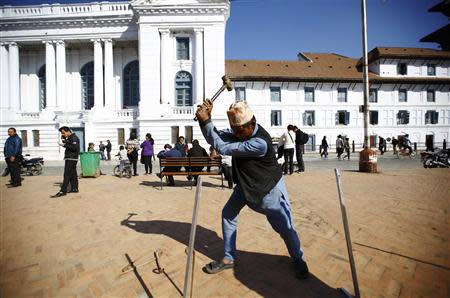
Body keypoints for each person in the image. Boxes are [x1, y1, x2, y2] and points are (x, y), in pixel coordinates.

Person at [195, 99, 309, 279]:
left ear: (252, 124)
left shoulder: (260, 143)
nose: (236, 134)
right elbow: (215, 137)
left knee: (285, 228)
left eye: (239, 131)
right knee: (228, 213)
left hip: (268, 191)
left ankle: (298, 259)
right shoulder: (240, 132)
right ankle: (228, 258)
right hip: (246, 186)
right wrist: (205, 120)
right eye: (234, 130)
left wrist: (206, 121)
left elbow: (222, 146)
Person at [52, 126, 80, 197]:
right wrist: (64, 141)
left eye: (63, 133)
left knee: (67, 174)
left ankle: (63, 191)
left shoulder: (74, 138)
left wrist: (64, 145)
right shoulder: (71, 138)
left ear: (68, 131)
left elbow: (74, 148)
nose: (63, 134)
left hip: (71, 158)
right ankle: (74, 188)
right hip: (71, 158)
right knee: (73, 174)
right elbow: (70, 144)